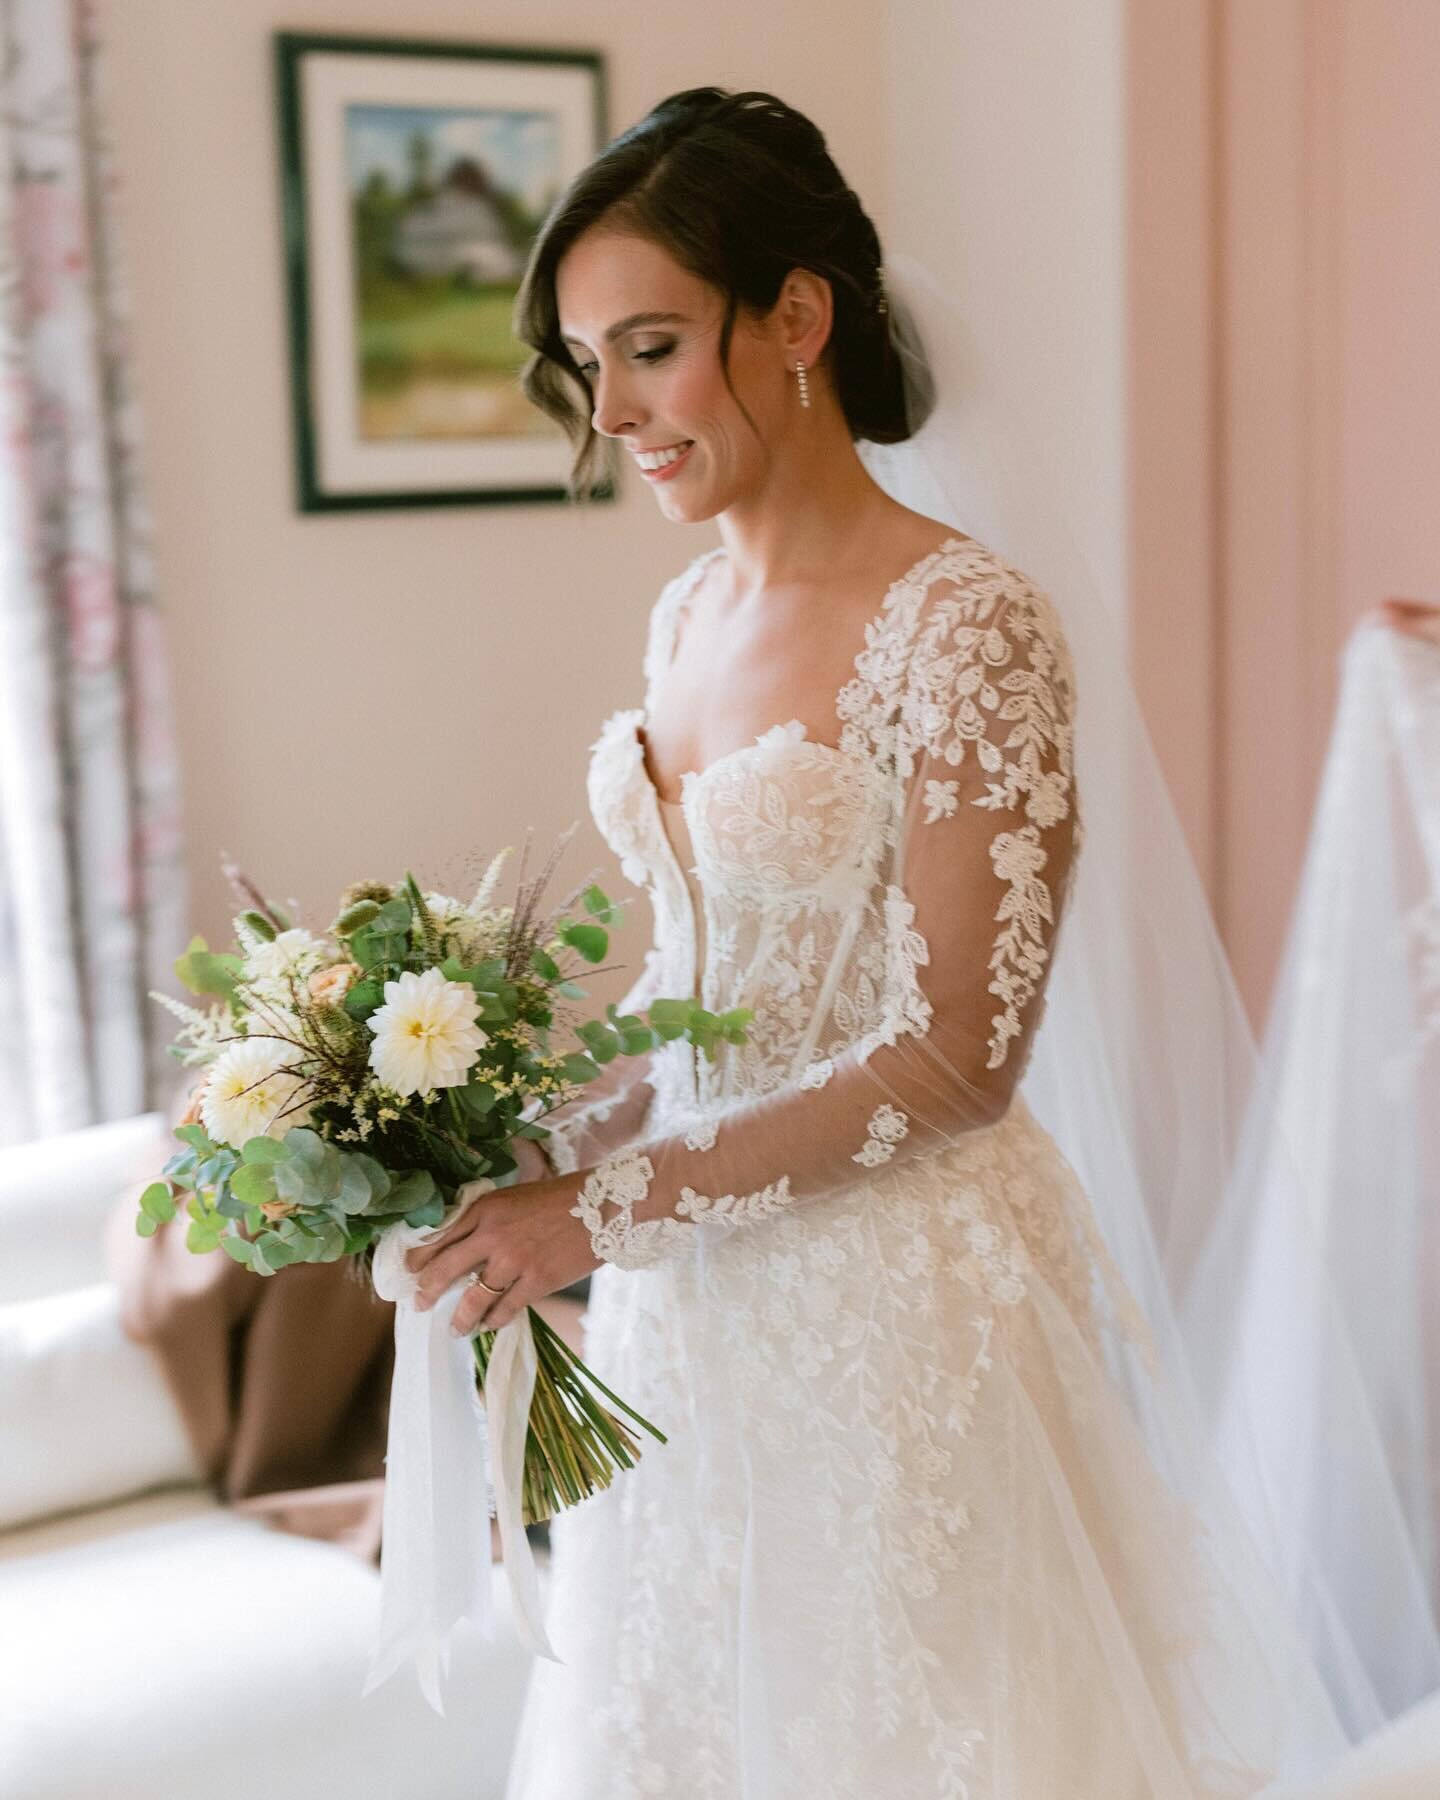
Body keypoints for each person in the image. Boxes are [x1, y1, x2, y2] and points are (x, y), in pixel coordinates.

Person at [404, 89, 1391, 1796]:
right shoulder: (688, 610)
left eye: (650, 347)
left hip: (898, 1329)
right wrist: (535, 1151)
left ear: (795, 318)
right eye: (588, 364)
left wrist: (603, 1212)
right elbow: (707, 998)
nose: (616, 410)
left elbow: (953, 1057)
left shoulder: (970, 622)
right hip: (684, 1331)